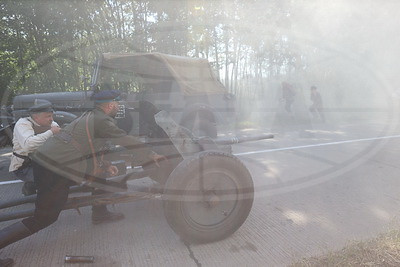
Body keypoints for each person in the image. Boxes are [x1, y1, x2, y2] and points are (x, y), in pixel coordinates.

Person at [0, 90, 165, 267]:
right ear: (110, 105)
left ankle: (100, 213)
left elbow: (93, 146)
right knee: (44, 218)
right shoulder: (101, 120)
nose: (119, 106)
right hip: (52, 168)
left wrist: (104, 165)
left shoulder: (93, 116)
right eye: (118, 103)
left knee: (100, 175)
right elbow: (125, 139)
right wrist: (151, 154)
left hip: (58, 163)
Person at [9, 99, 60, 196]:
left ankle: (32, 185)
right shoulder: (23, 124)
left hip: (41, 162)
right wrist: (51, 132)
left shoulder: (50, 124)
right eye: (48, 116)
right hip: (24, 166)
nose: (51, 119)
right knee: (48, 181)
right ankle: (34, 189)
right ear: (36, 117)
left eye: (52, 116)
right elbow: (29, 145)